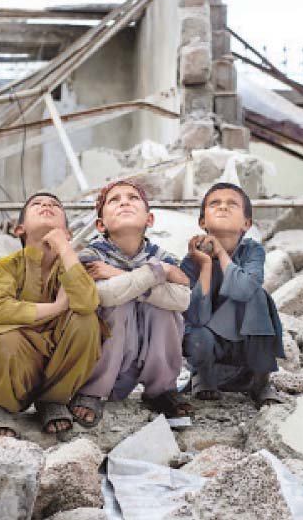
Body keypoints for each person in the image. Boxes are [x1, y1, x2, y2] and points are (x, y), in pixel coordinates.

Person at [0, 192, 102, 437]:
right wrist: (55, 308)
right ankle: (1, 405)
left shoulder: (72, 265)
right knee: (4, 339)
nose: (46, 206)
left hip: (57, 352)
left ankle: (53, 400)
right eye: (37, 204)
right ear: (20, 229)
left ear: (68, 231)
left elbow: (87, 303)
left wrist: (64, 247)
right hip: (17, 356)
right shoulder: (8, 265)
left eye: (54, 205)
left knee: (87, 322)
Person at [69, 180, 193, 427]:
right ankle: (93, 391)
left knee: (164, 308)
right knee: (120, 301)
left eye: (132, 198)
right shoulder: (91, 257)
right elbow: (105, 296)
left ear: (150, 219)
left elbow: (183, 299)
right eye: (114, 200)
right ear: (100, 224)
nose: (124, 202)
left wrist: (119, 275)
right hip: (107, 360)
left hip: (146, 353)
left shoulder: (162, 256)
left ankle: (161, 390)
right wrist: (158, 274)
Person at [180, 182, 285, 407]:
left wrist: (220, 252)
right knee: (193, 327)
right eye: (215, 203)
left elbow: (243, 288)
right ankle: (203, 378)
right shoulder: (192, 261)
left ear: (247, 224)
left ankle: (261, 382)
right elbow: (196, 318)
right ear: (202, 222)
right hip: (209, 355)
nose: (223, 207)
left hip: (245, 356)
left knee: (257, 295)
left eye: (232, 204)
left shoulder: (252, 251)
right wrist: (206, 265)